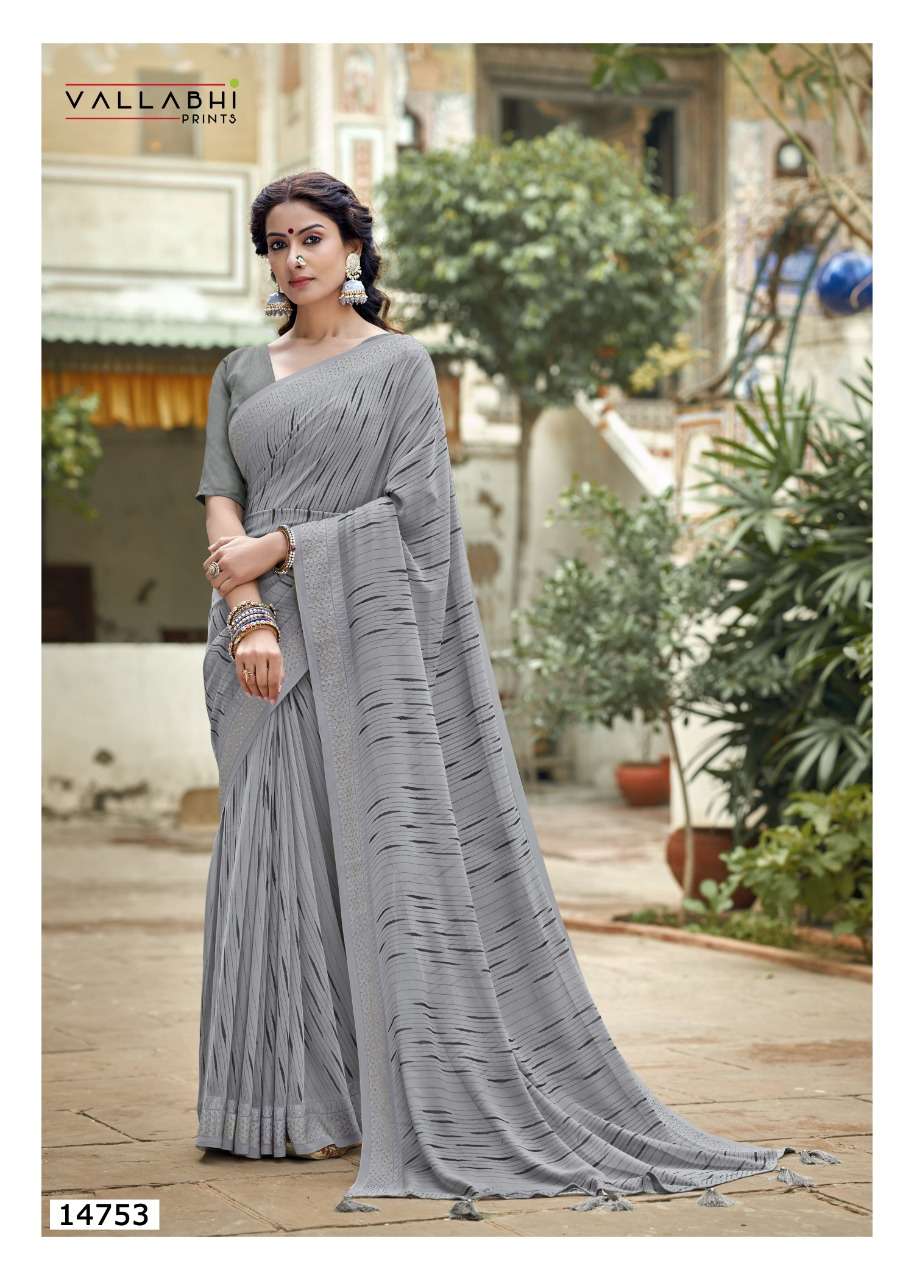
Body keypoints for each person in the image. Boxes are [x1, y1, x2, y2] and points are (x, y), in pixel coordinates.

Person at [193, 171, 832, 1216]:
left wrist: (287, 544)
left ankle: (366, 1099)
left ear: (352, 248)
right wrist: (250, 613)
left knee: (368, 863)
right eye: (274, 243)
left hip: (364, 645)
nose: (292, 258)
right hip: (262, 642)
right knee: (273, 861)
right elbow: (221, 502)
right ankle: (277, 1103)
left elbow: (414, 517)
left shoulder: (399, 366)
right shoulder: (238, 373)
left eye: (310, 238)